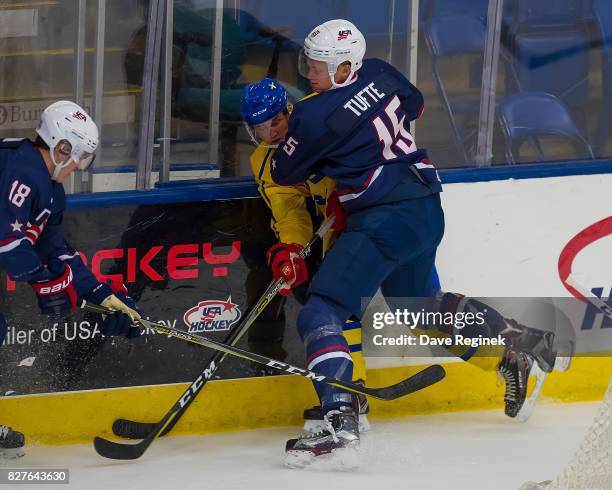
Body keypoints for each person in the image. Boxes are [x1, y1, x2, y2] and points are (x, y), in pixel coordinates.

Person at [268, 20, 558, 467]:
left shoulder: (311, 114)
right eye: (308, 62)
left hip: (383, 218)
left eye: (319, 66)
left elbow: (286, 173)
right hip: (424, 202)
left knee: (320, 311)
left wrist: (330, 152)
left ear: (345, 66)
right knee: (417, 304)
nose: (309, 72)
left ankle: (341, 422)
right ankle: (513, 346)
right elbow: (415, 106)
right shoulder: (381, 72)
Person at [0, 101, 144, 458]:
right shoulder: (22, 169)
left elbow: (56, 249)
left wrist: (100, 293)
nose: (80, 164)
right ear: (60, 146)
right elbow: (8, 242)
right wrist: (45, 281)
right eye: (79, 154)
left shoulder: (50, 190)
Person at [240, 78, 371, 432]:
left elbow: (367, 147)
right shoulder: (263, 161)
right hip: (339, 227)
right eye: (259, 127)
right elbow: (290, 212)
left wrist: (346, 192)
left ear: (289, 110)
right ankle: (350, 389)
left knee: (418, 302)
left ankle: (504, 354)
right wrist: (292, 250)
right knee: (326, 299)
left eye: (275, 122)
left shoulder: (322, 114)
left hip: (375, 211)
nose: (269, 133)